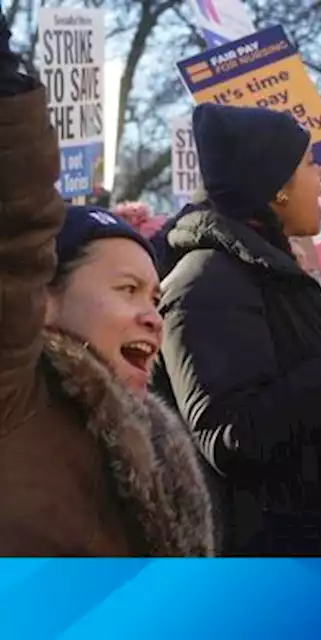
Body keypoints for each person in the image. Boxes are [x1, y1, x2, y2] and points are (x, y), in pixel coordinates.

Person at [0, 27, 215, 556]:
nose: (152, 317)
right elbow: (18, 234)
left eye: (155, 300)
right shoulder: (16, 397)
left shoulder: (152, 442)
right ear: (44, 298)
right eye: (127, 289)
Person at [153, 103, 321, 556]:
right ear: (277, 189)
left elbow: (312, 416)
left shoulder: (278, 276)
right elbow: (230, 438)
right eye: (309, 164)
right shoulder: (205, 282)